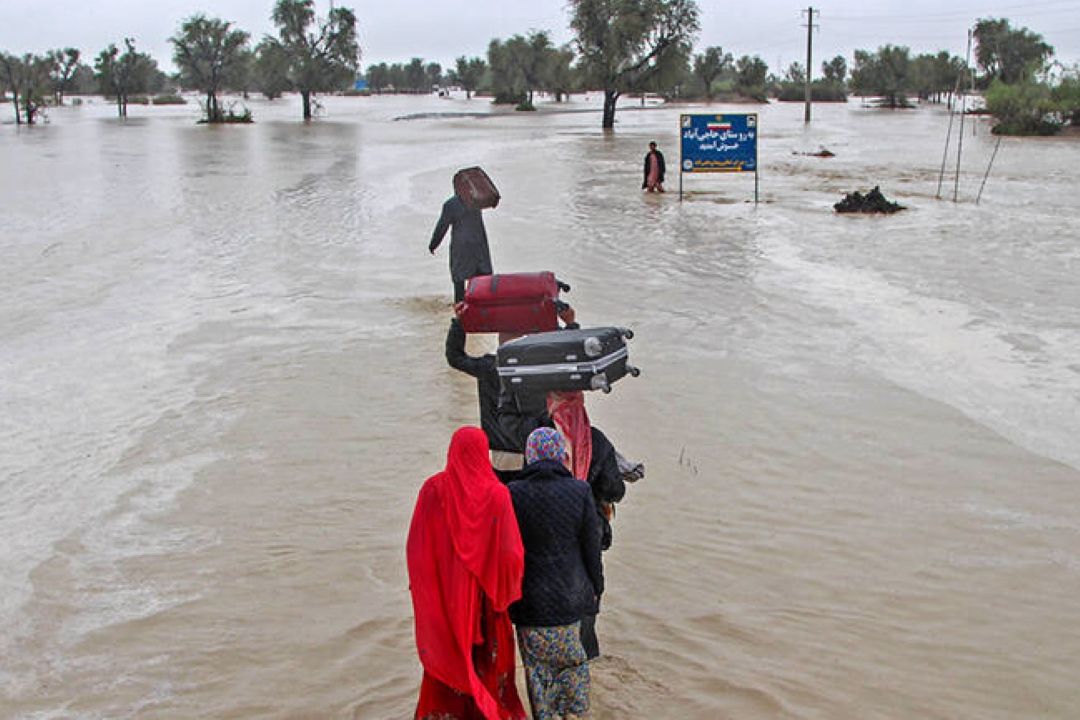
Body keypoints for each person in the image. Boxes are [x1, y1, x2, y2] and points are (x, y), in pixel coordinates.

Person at [406, 427, 528, 720]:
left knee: (447, 657)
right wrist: (505, 592)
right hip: (489, 602)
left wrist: (427, 593)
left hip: (446, 598)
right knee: (490, 663)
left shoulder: (432, 490)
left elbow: (416, 547)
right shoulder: (497, 494)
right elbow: (512, 554)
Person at [508, 428, 603, 720]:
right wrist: (597, 586)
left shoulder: (512, 493)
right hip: (569, 600)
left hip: (529, 604)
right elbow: (591, 546)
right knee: (573, 664)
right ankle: (573, 714)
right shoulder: (579, 490)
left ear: (530, 455)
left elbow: (507, 551)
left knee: (537, 672)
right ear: (561, 455)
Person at [445, 306, 579, 483]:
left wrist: (460, 322)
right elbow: (572, 358)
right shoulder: (537, 368)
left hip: (500, 450)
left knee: (506, 500)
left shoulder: (489, 366)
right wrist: (570, 324)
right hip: (534, 447)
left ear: (500, 341)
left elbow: (455, 357)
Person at [429, 193, 493, 302]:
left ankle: (461, 313)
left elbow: (442, 227)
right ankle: (481, 311)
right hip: (479, 246)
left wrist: (433, 244)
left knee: (459, 281)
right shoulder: (477, 201)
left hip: (461, 248)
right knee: (482, 282)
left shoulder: (450, 204)